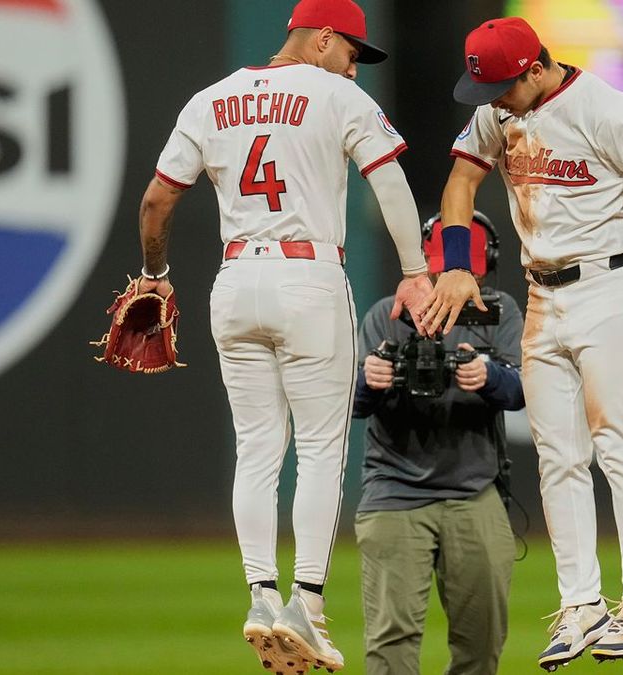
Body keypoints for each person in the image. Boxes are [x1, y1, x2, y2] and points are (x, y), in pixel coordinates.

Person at [131, 1, 476, 671]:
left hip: (235, 280)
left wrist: (155, 277)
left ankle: (260, 595)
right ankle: (306, 606)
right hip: (309, 275)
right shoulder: (337, 96)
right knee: (319, 448)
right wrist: (415, 272)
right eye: (351, 51)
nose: (354, 66)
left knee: (257, 447)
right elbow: (390, 181)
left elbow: (156, 200)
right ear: (321, 39)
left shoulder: (210, 100)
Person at [438, 16, 623, 671]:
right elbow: (460, 182)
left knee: (618, 442)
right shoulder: (497, 112)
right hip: (543, 296)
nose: (495, 102)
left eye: (503, 88)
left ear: (537, 68)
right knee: (558, 457)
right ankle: (582, 605)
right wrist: (455, 263)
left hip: (609, 286)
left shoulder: (610, 110)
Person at [353, 212, 524, 675]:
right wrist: (370, 380)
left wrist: (489, 376)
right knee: (391, 644)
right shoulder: (388, 315)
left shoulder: (498, 312)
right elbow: (351, 404)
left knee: (483, 642)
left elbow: (524, 390)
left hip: (474, 491)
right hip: (395, 490)